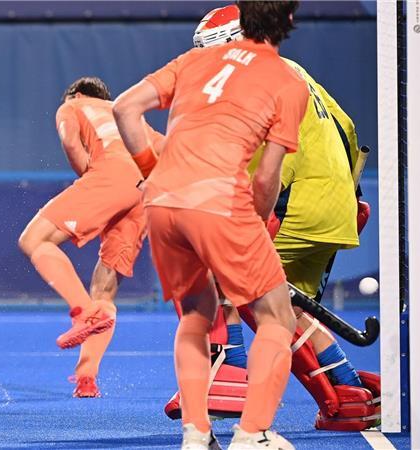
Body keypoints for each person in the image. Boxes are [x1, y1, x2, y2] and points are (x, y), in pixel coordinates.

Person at [163, 4, 381, 433]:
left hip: (292, 204)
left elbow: (255, 171)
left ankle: (229, 369)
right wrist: (350, 199)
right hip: (333, 206)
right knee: (278, 310)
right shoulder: (294, 71)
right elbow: (347, 129)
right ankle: (347, 395)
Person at [113, 2, 305, 449]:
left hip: (160, 201)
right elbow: (265, 178)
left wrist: (151, 169)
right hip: (221, 202)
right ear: (288, 21)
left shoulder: (193, 59)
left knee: (198, 314)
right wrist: (252, 225)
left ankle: (196, 434)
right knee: (277, 317)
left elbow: (124, 109)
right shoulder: (287, 82)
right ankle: (252, 434)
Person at [18, 77, 159, 387]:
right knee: (105, 291)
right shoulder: (128, 113)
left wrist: (89, 173)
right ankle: (86, 377)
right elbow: (166, 154)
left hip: (110, 175)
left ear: (78, 94)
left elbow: (71, 141)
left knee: (33, 239)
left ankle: (84, 313)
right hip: (144, 192)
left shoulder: (73, 105)